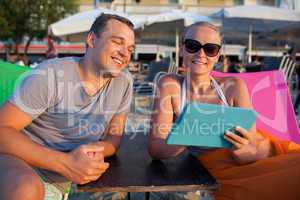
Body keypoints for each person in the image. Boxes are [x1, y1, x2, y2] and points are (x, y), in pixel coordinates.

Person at [148, 22, 300, 200]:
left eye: (210, 49)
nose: (200, 54)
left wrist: (241, 148)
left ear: (218, 56)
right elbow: (155, 149)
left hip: (258, 154)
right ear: (181, 49)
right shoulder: (170, 85)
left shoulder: (233, 87)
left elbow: (251, 150)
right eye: (192, 46)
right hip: (216, 169)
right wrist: (190, 133)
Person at [0, 13, 135, 200]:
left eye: (130, 48)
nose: (125, 53)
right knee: (27, 189)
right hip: (18, 158)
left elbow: (114, 136)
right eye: (117, 42)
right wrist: (66, 163)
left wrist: (92, 151)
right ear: (92, 39)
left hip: (65, 177)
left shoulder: (124, 82)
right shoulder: (51, 75)